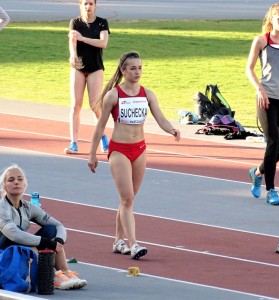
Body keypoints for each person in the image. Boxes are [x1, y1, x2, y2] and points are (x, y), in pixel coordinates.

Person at [88, 51, 180, 259]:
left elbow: (161, 118)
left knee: (127, 200)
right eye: (133, 68)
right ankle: (134, 243)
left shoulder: (147, 94)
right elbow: (100, 125)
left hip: (139, 150)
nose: (137, 72)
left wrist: (171, 129)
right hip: (119, 150)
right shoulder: (113, 95)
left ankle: (117, 240)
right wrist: (92, 154)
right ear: (123, 70)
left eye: (140, 68)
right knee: (127, 198)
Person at [246, 2, 279, 205]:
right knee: (273, 141)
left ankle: (257, 172)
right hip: (267, 98)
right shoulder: (261, 41)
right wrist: (260, 90)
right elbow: (249, 69)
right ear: (271, 19)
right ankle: (271, 190)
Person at [0, 164, 87, 290]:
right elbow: (13, 234)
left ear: (25, 184)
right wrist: (45, 242)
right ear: (4, 186)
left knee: (51, 229)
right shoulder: (2, 207)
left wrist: (58, 241)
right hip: (2, 249)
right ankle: (49, 275)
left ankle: (64, 273)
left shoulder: (29, 207)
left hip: (18, 245)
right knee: (19, 230)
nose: (16, 183)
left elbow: (58, 225)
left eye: (20, 179)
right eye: (11, 180)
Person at [64, 0, 110, 154]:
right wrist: (73, 54)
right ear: (81, 5)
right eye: (85, 3)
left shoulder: (102, 23)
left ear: (95, 5)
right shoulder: (75, 22)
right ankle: (73, 143)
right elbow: (72, 40)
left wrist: (83, 38)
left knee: (95, 106)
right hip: (78, 68)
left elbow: (103, 43)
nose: (88, 7)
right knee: (76, 104)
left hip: (95, 68)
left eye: (90, 3)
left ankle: (103, 136)